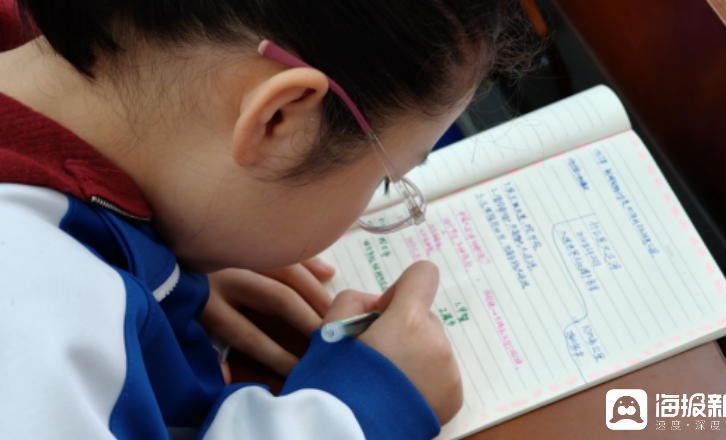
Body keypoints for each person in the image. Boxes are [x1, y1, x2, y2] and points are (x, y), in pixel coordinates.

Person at [0, 0, 539, 438]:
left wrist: (166, 251)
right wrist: (362, 411)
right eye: (386, 179)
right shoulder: (37, 332)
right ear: (279, 119)